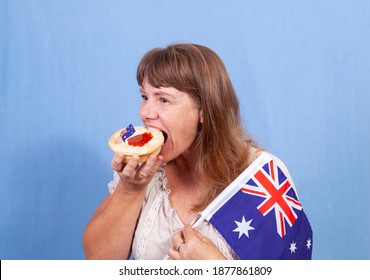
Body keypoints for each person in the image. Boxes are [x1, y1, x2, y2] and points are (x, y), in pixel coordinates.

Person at [83, 43, 307, 260]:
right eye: (144, 97)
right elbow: (100, 261)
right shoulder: (142, 170)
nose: (145, 112)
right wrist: (130, 190)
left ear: (204, 111)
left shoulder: (260, 177)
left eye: (163, 99)